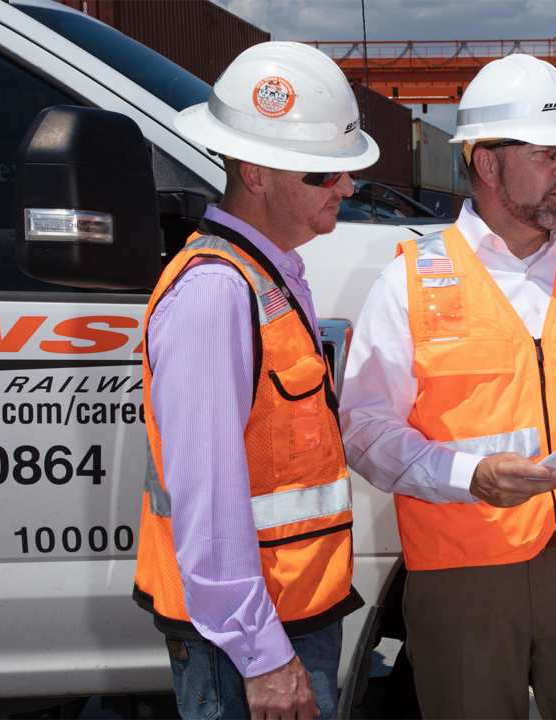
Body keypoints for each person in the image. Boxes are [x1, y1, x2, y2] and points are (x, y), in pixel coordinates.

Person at [339, 53, 556, 719]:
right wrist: (468, 475)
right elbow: (364, 429)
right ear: (488, 165)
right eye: (548, 153)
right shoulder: (413, 280)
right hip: (464, 567)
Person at [133, 41, 378, 720]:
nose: (347, 188)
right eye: (324, 175)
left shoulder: (268, 279)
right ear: (256, 173)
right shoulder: (217, 292)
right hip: (246, 648)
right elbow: (206, 504)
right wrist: (263, 656)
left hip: (282, 623)